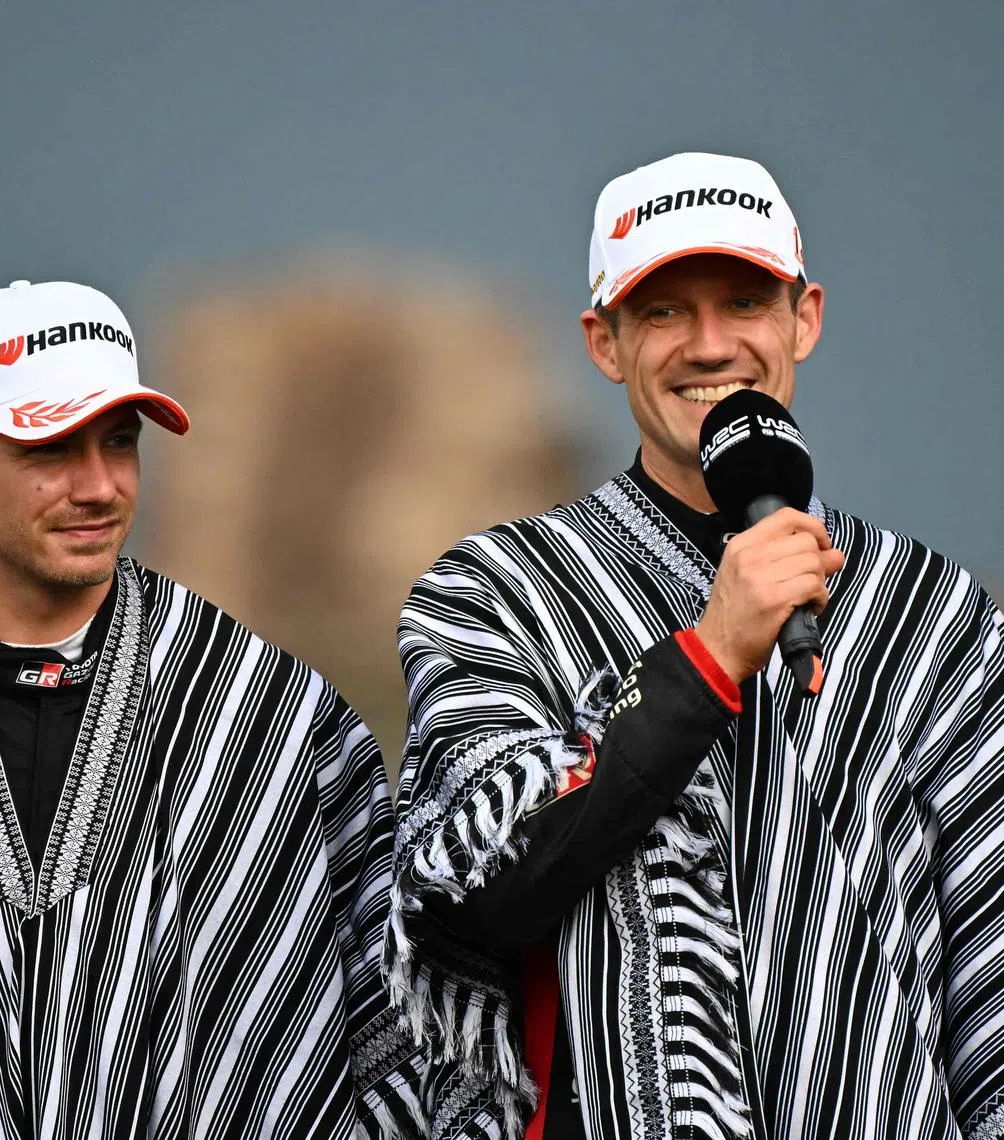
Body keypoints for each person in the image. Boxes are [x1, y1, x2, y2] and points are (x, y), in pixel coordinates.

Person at [385, 153, 1004, 1139]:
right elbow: (469, 883)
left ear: (804, 317)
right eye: (665, 310)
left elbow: (990, 976)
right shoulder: (494, 592)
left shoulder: (935, 615)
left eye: (744, 300)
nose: (710, 344)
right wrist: (709, 655)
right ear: (605, 342)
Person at [0, 279, 426, 1139]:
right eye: (51, 449)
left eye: (119, 445)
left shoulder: (276, 717)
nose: (98, 487)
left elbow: (390, 1043)